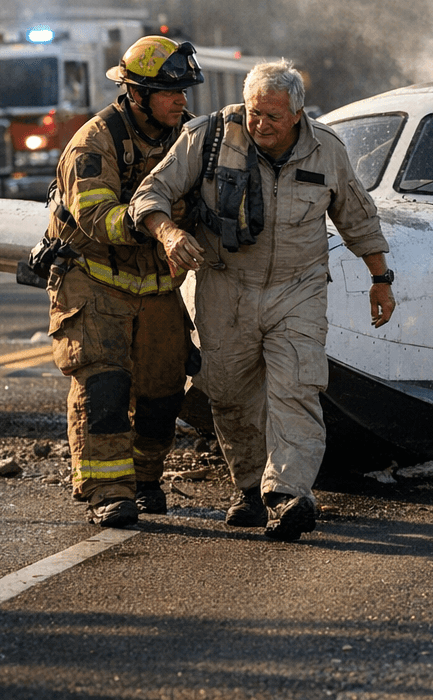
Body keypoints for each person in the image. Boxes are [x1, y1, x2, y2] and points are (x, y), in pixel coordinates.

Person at [131, 59, 394, 542]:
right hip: (226, 285)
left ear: (298, 114)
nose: (260, 125)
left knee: (297, 387)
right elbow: (151, 194)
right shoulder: (209, 137)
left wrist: (381, 279)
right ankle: (250, 488)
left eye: (273, 116)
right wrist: (167, 233)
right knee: (229, 393)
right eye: (254, 113)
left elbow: (358, 217)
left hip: (299, 289)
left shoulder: (326, 150)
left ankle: (289, 493)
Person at [46, 35, 203, 529]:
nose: (181, 100)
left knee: (163, 387)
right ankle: (106, 491)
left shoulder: (183, 136)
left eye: (184, 91)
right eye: (168, 91)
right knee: (105, 386)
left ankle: (144, 478)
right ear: (136, 94)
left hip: (154, 282)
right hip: (93, 279)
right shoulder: (93, 143)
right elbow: (96, 217)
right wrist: (156, 221)